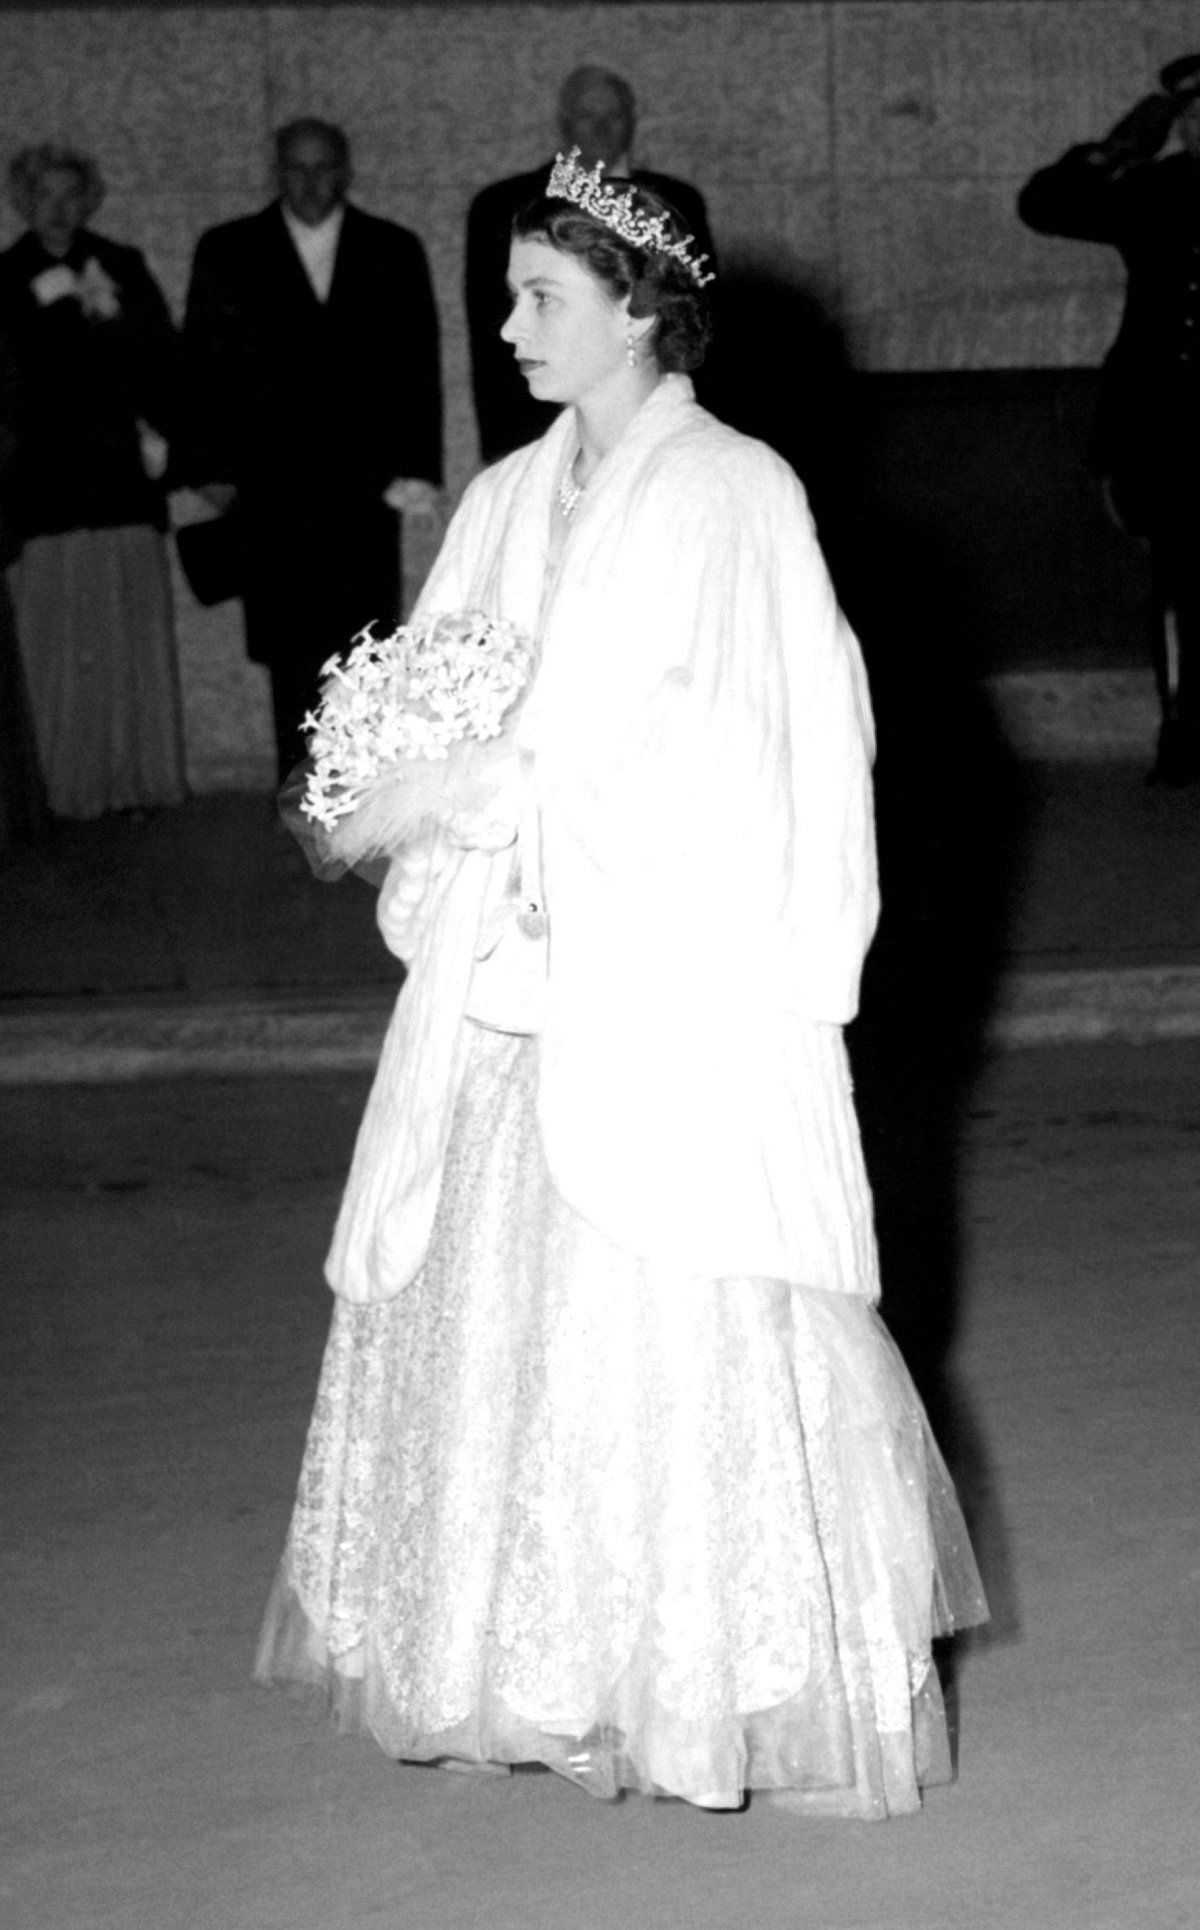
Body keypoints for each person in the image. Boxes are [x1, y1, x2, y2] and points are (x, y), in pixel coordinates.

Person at [255, 153, 987, 1816]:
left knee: (673, 1334)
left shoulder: (736, 491)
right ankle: (538, 1666)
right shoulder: (506, 496)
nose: (509, 329)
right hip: (510, 992)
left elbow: (759, 744)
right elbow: (439, 682)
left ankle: (704, 1689)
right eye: (508, 296)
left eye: (542, 298)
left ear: (642, 310)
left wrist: (515, 788)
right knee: (504, 1336)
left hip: (661, 993)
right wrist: (408, 782)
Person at [180, 119, 442, 781]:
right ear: (275, 173)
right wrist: (208, 469)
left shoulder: (392, 248)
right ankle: (299, 798)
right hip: (272, 487)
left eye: (324, 166)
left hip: (366, 486)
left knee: (365, 647)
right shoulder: (229, 249)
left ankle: (363, 797)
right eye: (296, 167)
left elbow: (417, 367)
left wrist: (418, 471)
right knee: (291, 653)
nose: (311, 181)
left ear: (347, 171)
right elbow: (203, 365)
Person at [1018, 54, 1200, 783]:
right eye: (1193, 114)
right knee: (1179, 580)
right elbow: (1045, 206)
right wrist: (1115, 150)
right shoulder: (1154, 188)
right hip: (1165, 422)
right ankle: (1183, 731)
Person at [0, 145, 185, 819]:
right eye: (43, 195)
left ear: (89, 200)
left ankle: (134, 783)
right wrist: (38, 308)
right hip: (44, 492)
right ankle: (56, 789)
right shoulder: (6, 278)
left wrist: (171, 449)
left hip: (119, 484)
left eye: (70, 195)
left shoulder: (122, 265)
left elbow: (163, 366)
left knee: (125, 645)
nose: (58, 209)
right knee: (56, 647)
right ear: (22, 201)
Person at [465, 65, 714, 462]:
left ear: (632, 121)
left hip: (655, 420)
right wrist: (501, 445)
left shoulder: (676, 202)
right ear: (563, 122)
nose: (601, 127)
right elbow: (490, 334)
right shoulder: (502, 205)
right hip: (534, 428)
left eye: (613, 115)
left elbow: (698, 318)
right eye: (587, 115)